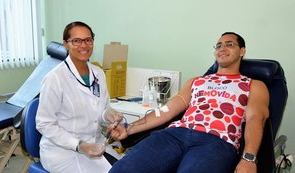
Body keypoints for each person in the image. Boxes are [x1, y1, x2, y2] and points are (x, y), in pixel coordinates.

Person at [109, 32, 269, 173]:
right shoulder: (197, 81)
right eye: (219, 45)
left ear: (242, 51)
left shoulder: (253, 85)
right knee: (122, 169)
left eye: (230, 44)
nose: (222, 48)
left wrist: (249, 159)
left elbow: (256, 119)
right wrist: (128, 129)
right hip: (175, 135)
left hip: (216, 141)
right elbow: (166, 110)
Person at [36, 21, 123, 173]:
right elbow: (44, 124)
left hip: (96, 145)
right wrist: (79, 145)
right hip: (63, 152)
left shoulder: (98, 73)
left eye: (88, 40)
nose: (84, 45)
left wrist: (109, 114)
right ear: (66, 44)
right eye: (76, 41)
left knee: (129, 167)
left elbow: (101, 110)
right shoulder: (54, 78)